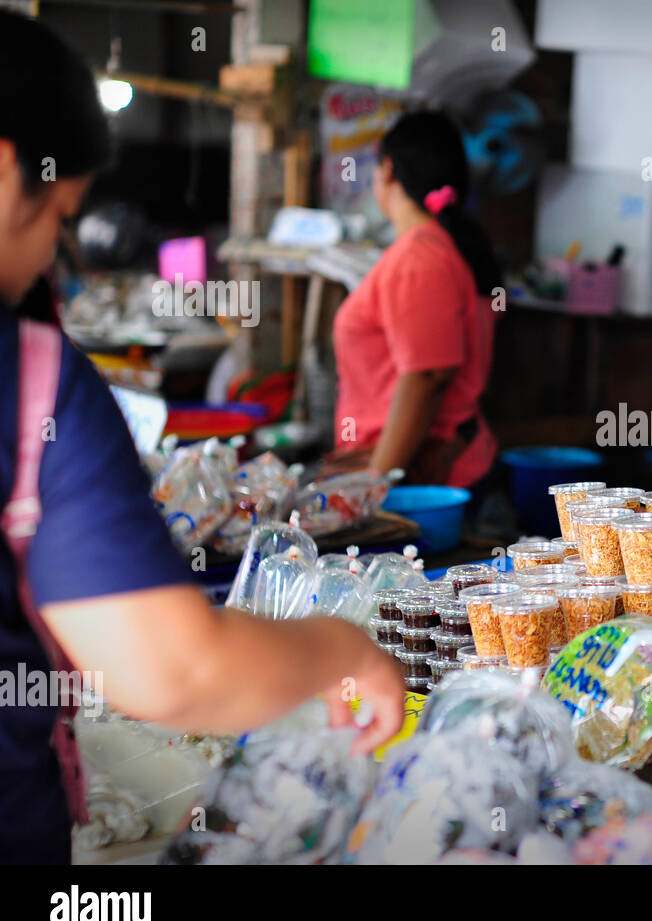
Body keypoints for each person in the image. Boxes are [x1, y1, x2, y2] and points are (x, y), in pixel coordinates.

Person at [0, 11, 403, 864]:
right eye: (58, 217)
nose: (53, 259)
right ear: (7, 173)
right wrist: (344, 649)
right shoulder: (31, 380)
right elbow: (171, 673)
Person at [329, 111, 502, 490]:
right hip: (412, 468)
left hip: (421, 479)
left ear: (388, 170)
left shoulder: (419, 257)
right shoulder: (436, 246)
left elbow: (427, 378)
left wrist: (376, 486)